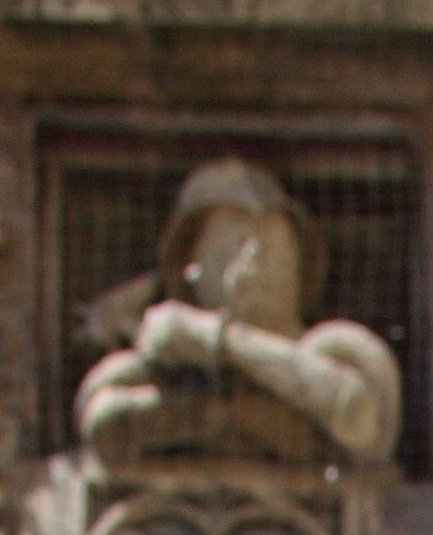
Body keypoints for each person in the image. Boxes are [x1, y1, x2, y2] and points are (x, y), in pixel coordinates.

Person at [72, 160, 402, 478]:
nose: (255, 260)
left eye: (273, 243)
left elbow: (360, 415)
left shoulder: (333, 349)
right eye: (232, 242)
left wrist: (222, 341)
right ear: (192, 266)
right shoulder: (169, 366)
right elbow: (103, 417)